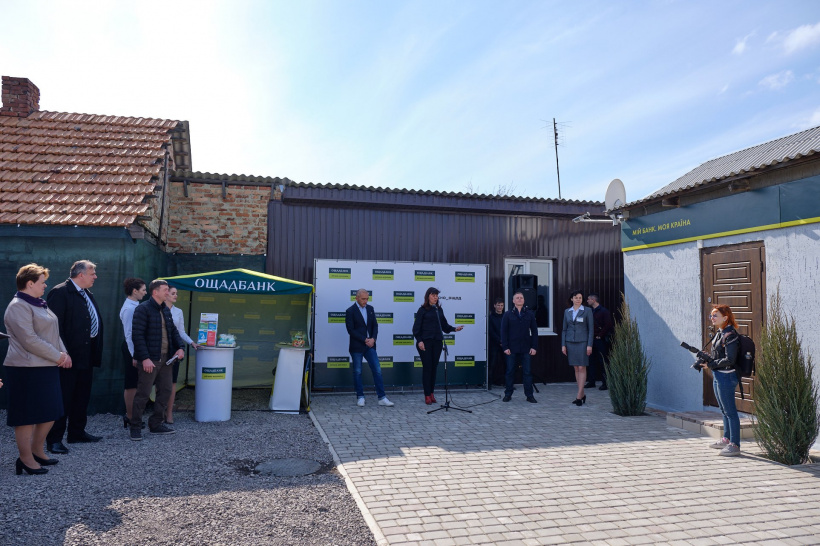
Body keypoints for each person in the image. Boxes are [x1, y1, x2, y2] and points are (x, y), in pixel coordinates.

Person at [4, 264, 72, 475]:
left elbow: (54, 333)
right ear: (30, 283)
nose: (45, 286)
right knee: (26, 416)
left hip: (47, 366)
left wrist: (64, 353)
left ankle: (37, 450)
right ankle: (25, 459)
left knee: (50, 411)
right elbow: (29, 340)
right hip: (25, 369)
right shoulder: (18, 306)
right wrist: (58, 356)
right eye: (42, 282)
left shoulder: (40, 304)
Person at [46, 260, 104, 454]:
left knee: (81, 396)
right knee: (63, 398)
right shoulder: (60, 292)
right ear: (81, 275)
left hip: (86, 355)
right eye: (92, 273)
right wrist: (63, 353)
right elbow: (54, 328)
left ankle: (76, 433)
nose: (95, 277)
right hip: (67, 357)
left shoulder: (86, 294)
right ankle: (54, 440)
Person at [129, 279, 185, 440]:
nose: (168, 292)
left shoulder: (165, 309)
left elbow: (174, 332)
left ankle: (156, 424)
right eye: (165, 290)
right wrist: (145, 358)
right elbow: (137, 336)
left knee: (165, 391)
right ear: (155, 292)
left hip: (167, 360)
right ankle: (135, 427)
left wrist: (180, 347)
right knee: (143, 393)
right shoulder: (142, 309)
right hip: (150, 360)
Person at [696, 304, 742, 457]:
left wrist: (710, 364)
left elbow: (730, 359)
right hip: (718, 375)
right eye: (711, 315)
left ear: (725, 317)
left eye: (715, 315)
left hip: (727, 376)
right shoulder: (720, 333)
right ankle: (726, 439)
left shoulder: (731, 335)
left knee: (730, 411)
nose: (712, 318)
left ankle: (735, 445)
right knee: (723, 410)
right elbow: (719, 355)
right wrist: (707, 358)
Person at [412, 287, 463, 405]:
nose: (435, 297)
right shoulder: (422, 310)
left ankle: (431, 393)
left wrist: (455, 329)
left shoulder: (438, 310)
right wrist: (419, 341)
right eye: (433, 295)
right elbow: (415, 329)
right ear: (428, 296)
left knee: (434, 368)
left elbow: (444, 326)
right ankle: (427, 395)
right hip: (425, 343)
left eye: (436, 296)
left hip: (437, 342)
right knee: (427, 367)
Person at [344, 289, 394, 407]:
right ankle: (360, 397)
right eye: (363, 299)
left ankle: (382, 397)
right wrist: (364, 339)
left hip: (370, 345)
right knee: (358, 372)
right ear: (356, 298)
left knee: (377, 370)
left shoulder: (370, 309)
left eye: (367, 299)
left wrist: (373, 339)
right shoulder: (350, 311)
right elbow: (350, 330)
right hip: (357, 346)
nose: (365, 301)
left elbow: (375, 325)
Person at [165, 286, 199, 423]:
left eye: (176, 293)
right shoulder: (157, 309)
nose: (176, 296)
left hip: (174, 350)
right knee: (160, 382)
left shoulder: (178, 311)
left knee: (172, 381)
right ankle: (158, 412)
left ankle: (169, 413)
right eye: (173, 293)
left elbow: (181, 332)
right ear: (165, 294)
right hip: (159, 349)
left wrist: (192, 343)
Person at [500, 291, 538, 403]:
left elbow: (534, 332)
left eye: (521, 298)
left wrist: (534, 347)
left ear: (524, 300)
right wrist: (505, 347)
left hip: (526, 348)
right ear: (513, 301)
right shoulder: (508, 314)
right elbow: (503, 332)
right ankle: (508, 394)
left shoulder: (530, 314)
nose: (519, 299)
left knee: (527, 373)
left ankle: (529, 395)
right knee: (510, 372)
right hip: (511, 349)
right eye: (517, 298)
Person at [119, 278, 146, 429]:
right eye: (143, 290)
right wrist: (135, 355)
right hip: (132, 349)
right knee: (131, 384)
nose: (145, 293)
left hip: (137, 349)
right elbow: (129, 334)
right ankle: (130, 416)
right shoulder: (129, 309)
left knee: (137, 383)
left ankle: (134, 416)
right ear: (134, 291)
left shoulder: (136, 305)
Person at [561, 290, 594, 406]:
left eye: (580, 298)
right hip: (570, 342)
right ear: (572, 299)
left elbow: (591, 329)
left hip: (583, 342)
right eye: (576, 297)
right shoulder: (567, 312)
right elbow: (564, 329)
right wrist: (563, 345)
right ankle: (582, 393)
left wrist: (589, 345)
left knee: (581, 367)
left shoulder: (587, 311)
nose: (578, 300)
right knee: (576, 368)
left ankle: (579, 396)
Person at [585, 293, 614, 391]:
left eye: (588, 299)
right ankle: (591, 381)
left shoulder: (604, 311)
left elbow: (608, 325)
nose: (587, 301)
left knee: (603, 361)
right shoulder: (590, 311)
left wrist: (600, 335)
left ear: (593, 300)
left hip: (600, 340)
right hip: (591, 339)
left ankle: (605, 383)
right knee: (591, 360)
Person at [487, 298, 505, 387]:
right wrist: (499, 341)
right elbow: (491, 331)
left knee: (507, 364)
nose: (500, 307)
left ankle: (508, 383)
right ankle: (489, 384)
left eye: (501, 305)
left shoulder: (506, 317)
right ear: (494, 306)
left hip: (505, 344)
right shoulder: (491, 317)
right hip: (494, 344)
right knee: (492, 363)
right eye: (498, 305)